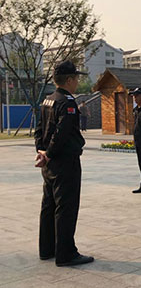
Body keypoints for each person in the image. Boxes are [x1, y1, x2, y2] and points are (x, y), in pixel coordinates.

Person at [34, 61, 94, 267]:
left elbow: (39, 129)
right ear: (68, 80)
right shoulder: (67, 102)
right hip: (64, 161)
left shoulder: (48, 100)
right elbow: (62, 132)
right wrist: (49, 154)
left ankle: (47, 249)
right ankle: (66, 253)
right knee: (66, 207)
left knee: (48, 205)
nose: (77, 82)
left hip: (49, 164)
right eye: (76, 78)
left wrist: (41, 152)